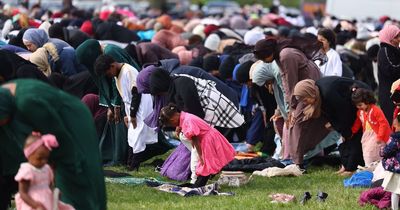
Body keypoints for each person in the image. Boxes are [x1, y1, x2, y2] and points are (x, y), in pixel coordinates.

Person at [0, 79, 106, 210]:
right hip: (49, 137)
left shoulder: (27, 102)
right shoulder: (7, 99)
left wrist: (64, 164)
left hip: (73, 122)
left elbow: (59, 137)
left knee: (81, 171)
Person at [253, 37, 329, 167]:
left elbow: (290, 84)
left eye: (263, 58)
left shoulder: (285, 55)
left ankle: (297, 163)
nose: (264, 61)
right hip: (304, 89)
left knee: (297, 123)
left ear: (268, 53)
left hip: (307, 90)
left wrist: (291, 110)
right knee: (298, 123)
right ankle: (299, 159)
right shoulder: (281, 54)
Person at [94, 55, 171, 171]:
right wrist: (127, 114)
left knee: (137, 136)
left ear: (112, 66)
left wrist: (133, 114)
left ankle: (134, 165)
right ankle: (130, 163)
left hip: (140, 106)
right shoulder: (117, 75)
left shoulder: (128, 71)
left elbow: (136, 93)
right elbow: (125, 96)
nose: (109, 76)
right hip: (131, 108)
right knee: (132, 136)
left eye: (108, 73)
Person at [293, 77, 369, 175]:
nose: (304, 103)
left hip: (360, 99)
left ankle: (353, 168)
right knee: (345, 137)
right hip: (347, 105)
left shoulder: (328, 93)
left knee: (353, 136)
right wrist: (338, 127)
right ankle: (346, 165)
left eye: (305, 99)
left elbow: (345, 114)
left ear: (310, 92)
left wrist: (344, 130)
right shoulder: (318, 93)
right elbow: (332, 113)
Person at [158, 103, 235, 187]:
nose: (174, 126)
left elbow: (195, 140)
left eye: (171, 124)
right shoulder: (184, 117)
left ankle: (199, 183)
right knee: (207, 162)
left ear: (172, 119)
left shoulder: (187, 121)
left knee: (205, 162)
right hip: (207, 137)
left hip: (207, 139)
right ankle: (199, 181)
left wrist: (201, 155)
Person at [15, 133, 75, 210]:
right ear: (29, 155)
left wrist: (54, 193)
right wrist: (35, 205)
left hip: (47, 201)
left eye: (46, 158)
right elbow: (23, 193)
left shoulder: (46, 168)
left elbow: (49, 185)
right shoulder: (27, 171)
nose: (43, 161)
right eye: (39, 158)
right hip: (33, 204)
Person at [351, 87, 391, 167]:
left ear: (367, 101)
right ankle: (370, 167)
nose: (359, 107)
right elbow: (358, 123)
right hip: (367, 136)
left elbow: (383, 123)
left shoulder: (375, 110)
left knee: (374, 152)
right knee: (366, 151)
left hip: (377, 135)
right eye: (357, 106)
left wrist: (380, 136)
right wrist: (352, 131)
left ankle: (378, 168)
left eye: (360, 105)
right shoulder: (360, 112)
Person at [377, 24, 400, 125]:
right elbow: (392, 70)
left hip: (396, 93)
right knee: (393, 124)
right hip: (389, 95)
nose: (399, 39)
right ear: (389, 38)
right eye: (396, 37)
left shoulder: (395, 51)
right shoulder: (385, 51)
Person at [381, 112, 400, 210]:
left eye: (395, 126)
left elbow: (387, 151)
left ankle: (395, 208)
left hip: (397, 171)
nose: (394, 128)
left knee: (395, 191)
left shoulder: (396, 138)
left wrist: (382, 151)